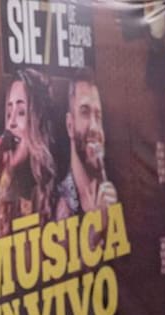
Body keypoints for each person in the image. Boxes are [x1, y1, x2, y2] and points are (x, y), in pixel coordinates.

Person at [0, 68, 60, 244]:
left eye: (21, 112)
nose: (11, 122)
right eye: (9, 113)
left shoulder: (57, 195)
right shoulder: (6, 186)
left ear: (38, 123)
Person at [55, 71, 119, 220]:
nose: (95, 128)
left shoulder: (115, 197)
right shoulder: (57, 204)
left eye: (98, 116)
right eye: (85, 113)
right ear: (70, 125)